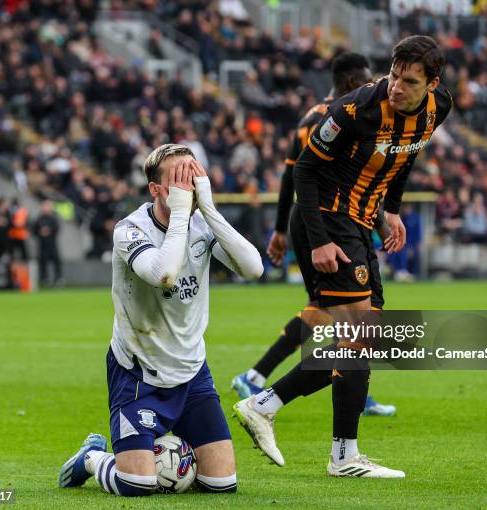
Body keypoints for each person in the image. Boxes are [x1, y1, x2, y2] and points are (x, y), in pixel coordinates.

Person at [234, 35, 453, 478]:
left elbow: (406, 155)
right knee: (358, 337)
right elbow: (305, 170)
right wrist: (315, 242)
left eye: (409, 81)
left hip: (359, 221)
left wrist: (390, 211)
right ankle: (341, 455)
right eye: (394, 75)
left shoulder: (437, 108)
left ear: (432, 84)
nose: (396, 86)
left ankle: (267, 405)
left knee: (362, 340)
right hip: (327, 218)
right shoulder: (354, 109)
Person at [58, 144, 263, 496]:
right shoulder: (130, 229)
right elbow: (164, 273)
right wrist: (183, 211)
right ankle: (92, 458)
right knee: (137, 485)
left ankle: (171, 453)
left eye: (194, 175)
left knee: (221, 484)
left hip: (191, 371)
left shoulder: (201, 222)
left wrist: (208, 208)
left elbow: (253, 268)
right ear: (155, 189)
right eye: (180, 179)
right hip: (139, 371)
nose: (189, 185)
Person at [231, 52, 396, 417]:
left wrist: (279, 228)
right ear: (354, 82)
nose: (374, 87)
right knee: (348, 316)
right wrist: (381, 219)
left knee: (327, 311)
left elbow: (291, 175)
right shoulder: (350, 114)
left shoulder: (309, 118)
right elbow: (346, 178)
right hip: (329, 220)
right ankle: (343, 381)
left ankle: (258, 374)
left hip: (308, 218)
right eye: (368, 80)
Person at [33, 200, 62, 286]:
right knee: (42, 262)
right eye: (44, 206)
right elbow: (34, 231)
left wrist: (49, 231)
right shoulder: (38, 219)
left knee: (56, 261)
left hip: (52, 244)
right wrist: (40, 233)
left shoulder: (53, 219)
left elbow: (57, 229)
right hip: (42, 245)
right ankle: (44, 279)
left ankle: (58, 278)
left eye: (47, 206)